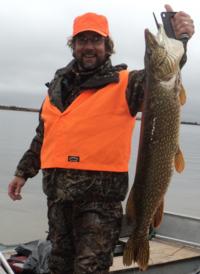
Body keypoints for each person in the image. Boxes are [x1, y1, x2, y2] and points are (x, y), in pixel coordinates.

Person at [8, 4, 194, 274]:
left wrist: (178, 40)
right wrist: (23, 172)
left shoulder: (126, 83)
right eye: (83, 40)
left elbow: (161, 76)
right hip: (58, 202)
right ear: (73, 45)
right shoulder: (56, 88)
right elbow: (44, 136)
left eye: (96, 40)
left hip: (99, 206)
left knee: (90, 269)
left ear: (108, 46)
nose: (89, 46)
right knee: (59, 266)